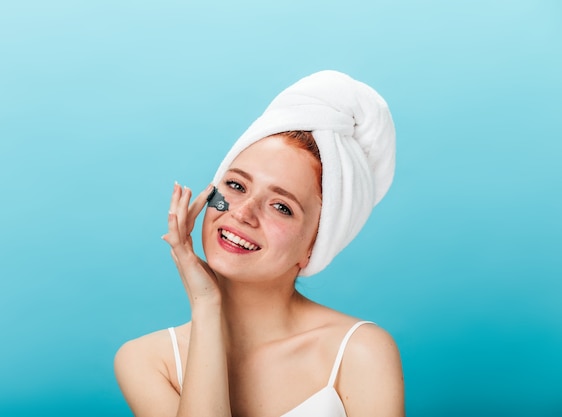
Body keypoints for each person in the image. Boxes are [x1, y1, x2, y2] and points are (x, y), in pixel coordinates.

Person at [115, 70, 404, 417]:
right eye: (236, 186)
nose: (243, 213)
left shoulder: (360, 351)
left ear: (314, 246)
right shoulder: (147, 360)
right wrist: (207, 306)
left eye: (281, 207)